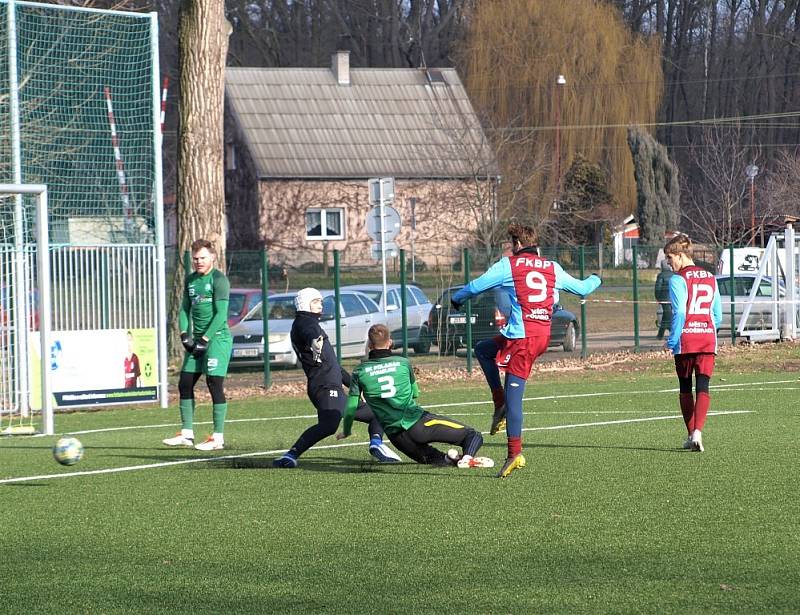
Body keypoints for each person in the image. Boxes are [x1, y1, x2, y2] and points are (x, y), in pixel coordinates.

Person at [451, 223, 602, 478]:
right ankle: (498, 401)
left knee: (514, 398)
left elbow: (477, 286)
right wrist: (598, 278)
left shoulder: (509, 264)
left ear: (517, 245)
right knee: (483, 350)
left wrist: (457, 298)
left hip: (523, 338)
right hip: (540, 335)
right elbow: (583, 288)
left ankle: (514, 453)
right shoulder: (552, 267)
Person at [272, 288, 401, 468]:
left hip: (330, 385)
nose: (320, 305)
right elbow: (310, 333)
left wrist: (357, 387)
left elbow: (335, 367)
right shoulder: (304, 322)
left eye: (321, 302)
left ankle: (377, 444)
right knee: (329, 425)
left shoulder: (312, 324)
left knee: (377, 412)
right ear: (304, 303)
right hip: (324, 387)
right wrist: (314, 341)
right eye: (316, 301)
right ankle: (290, 455)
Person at [336, 324, 493, 469]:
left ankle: (454, 459)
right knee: (473, 435)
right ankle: (466, 458)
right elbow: (415, 393)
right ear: (390, 342)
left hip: (397, 438)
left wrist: (346, 430)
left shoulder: (359, 371)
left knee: (435, 459)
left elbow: (351, 405)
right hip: (419, 424)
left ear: (369, 345)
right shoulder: (403, 363)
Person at [162, 239, 233, 451]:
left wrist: (205, 339)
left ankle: (217, 438)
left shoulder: (219, 280)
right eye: (195, 258)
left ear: (212, 257)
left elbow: (221, 315)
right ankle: (186, 434)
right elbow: (184, 310)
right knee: (184, 383)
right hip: (199, 339)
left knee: (214, 384)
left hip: (217, 339)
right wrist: (184, 334)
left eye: (203, 257)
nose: (199, 261)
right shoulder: (191, 280)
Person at [663, 234, 722, 453]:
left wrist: (673, 338)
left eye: (670, 258)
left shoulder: (678, 279)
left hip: (686, 339)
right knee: (704, 385)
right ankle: (698, 432)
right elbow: (718, 317)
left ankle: (690, 435)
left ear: (680, 255)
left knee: (686, 386)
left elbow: (679, 311)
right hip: (707, 338)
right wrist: (705, 327)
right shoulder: (710, 277)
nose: (669, 263)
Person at [654, 260, 674, 339]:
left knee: (667, 315)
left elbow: (658, 288)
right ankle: (660, 334)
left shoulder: (661, 276)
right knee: (667, 315)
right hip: (674, 298)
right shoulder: (674, 275)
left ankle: (670, 332)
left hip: (664, 298)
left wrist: (658, 297)